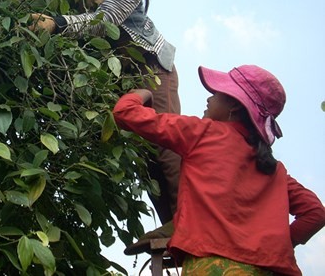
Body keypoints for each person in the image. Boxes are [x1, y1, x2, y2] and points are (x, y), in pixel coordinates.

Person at [17, 0, 182, 248]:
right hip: (108, 73)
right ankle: (174, 223)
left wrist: (57, 24)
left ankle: (189, 220)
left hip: (148, 67)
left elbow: (103, 21)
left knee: (166, 146)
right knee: (139, 154)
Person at [113, 64, 325, 275]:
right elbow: (315, 213)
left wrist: (141, 93)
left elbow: (125, 113)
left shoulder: (204, 133)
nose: (209, 98)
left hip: (214, 266)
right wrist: (277, 245)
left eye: (216, 92)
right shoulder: (274, 169)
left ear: (234, 105)